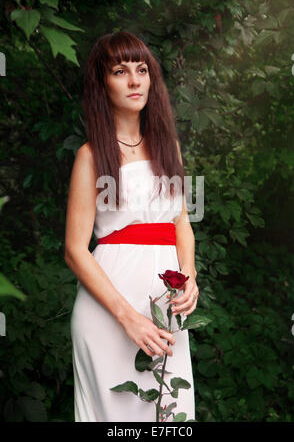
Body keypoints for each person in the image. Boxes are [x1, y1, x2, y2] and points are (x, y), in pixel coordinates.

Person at [64, 31, 199, 422]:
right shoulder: (90, 157)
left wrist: (188, 275)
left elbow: (181, 222)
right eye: (120, 71)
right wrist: (128, 318)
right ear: (102, 84)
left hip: (165, 308)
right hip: (110, 312)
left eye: (142, 69)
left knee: (171, 418)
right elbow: (75, 249)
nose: (135, 80)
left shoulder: (168, 147)